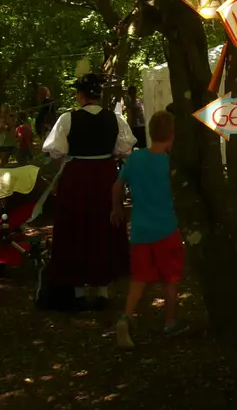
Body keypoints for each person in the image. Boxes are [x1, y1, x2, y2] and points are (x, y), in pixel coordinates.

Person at [38, 72, 135, 312]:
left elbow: (55, 151)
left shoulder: (67, 119)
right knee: (103, 225)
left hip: (77, 176)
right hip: (104, 176)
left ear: (80, 95)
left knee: (76, 224)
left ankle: (78, 291)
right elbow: (124, 149)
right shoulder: (115, 119)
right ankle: (102, 290)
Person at [111, 111, 185, 348]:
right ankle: (170, 322)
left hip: (141, 231)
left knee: (139, 279)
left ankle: (127, 317)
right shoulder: (170, 165)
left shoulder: (135, 159)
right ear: (172, 136)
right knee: (171, 279)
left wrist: (117, 209)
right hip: (167, 229)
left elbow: (116, 186)